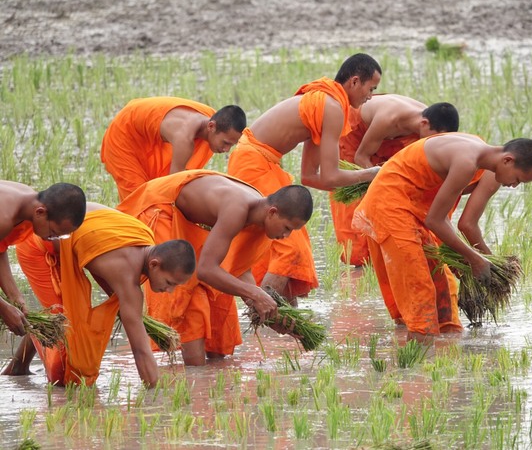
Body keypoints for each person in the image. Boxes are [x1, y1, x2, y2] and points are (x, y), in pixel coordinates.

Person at [352, 134, 532, 343]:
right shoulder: (467, 163)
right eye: (517, 179)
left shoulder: (476, 152)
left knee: (440, 285)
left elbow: (439, 215)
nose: (514, 185)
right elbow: (435, 221)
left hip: (412, 207)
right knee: (420, 288)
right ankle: (418, 364)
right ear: (508, 160)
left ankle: (444, 352)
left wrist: (465, 256)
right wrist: (475, 258)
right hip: (389, 206)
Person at [227, 52, 382, 302]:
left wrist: (364, 178)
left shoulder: (325, 102)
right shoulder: (332, 106)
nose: (370, 96)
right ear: (354, 82)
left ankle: (286, 324)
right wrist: (370, 175)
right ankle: (264, 311)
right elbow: (330, 176)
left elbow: (310, 177)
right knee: (290, 246)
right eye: (371, 88)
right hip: (253, 162)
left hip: (259, 161)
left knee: (287, 242)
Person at [117, 170, 313, 365]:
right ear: (272, 212)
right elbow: (206, 270)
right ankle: (195, 376)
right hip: (162, 210)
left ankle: (210, 380)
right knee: (190, 298)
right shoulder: (237, 209)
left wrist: (271, 315)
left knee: (220, 302)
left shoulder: (259, 216)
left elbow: (237, 269)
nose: (286, 236)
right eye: (287, 228)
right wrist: (256, 295)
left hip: (192, 224)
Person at [2, 204, 196, 387]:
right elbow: (140, 350)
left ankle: (18, 367)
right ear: (154, 264)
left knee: (63, 316)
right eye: (169, 283)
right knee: (65, 371)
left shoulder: (144, 240)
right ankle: (25, 354)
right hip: (38, 247)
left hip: (66, 242)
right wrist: (155, 396)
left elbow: (94, 249)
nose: (169, 290)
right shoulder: (125, 273)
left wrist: (132, 315)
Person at [331, 96, 459, 265]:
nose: (436, 144)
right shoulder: (388, 118)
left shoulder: (432, 121)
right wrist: (382, 188)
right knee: (357, 242)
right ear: (424, 124)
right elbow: (361, 157)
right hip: (356, 138)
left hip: (385, 140)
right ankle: (361, 264)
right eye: (435, 139)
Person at [100, 96, 247, 200]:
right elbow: (172, 189)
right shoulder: (184, 139)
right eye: (226, 143)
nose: (227, 150)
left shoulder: (212, 117)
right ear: (211, 126)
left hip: (144, 130)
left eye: (231, 145)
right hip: (123, 134)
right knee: (139, 199)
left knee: (155, 189)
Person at [0, 181, 86, 336]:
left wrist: (14, 296)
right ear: (40, 212)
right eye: (53, 232)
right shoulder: (4, 217)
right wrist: (4, 308)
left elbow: (0, 246)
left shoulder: (28, 204)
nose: (52, 239)